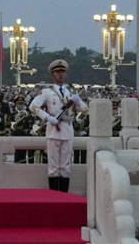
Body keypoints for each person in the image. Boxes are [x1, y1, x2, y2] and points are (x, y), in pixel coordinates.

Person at [29, 59, 87, 192]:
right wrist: (47, 117)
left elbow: (84, 109)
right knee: (54, 167)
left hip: (67, 129)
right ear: (53, 75)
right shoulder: (47, 92)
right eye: (57, 72)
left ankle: (64, 196)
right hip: (53, 129)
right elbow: (33, 106)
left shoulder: (70, 93)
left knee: (66, 167)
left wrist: (77, 102)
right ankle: (55, 197)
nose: (60, 75)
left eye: (62, 72)